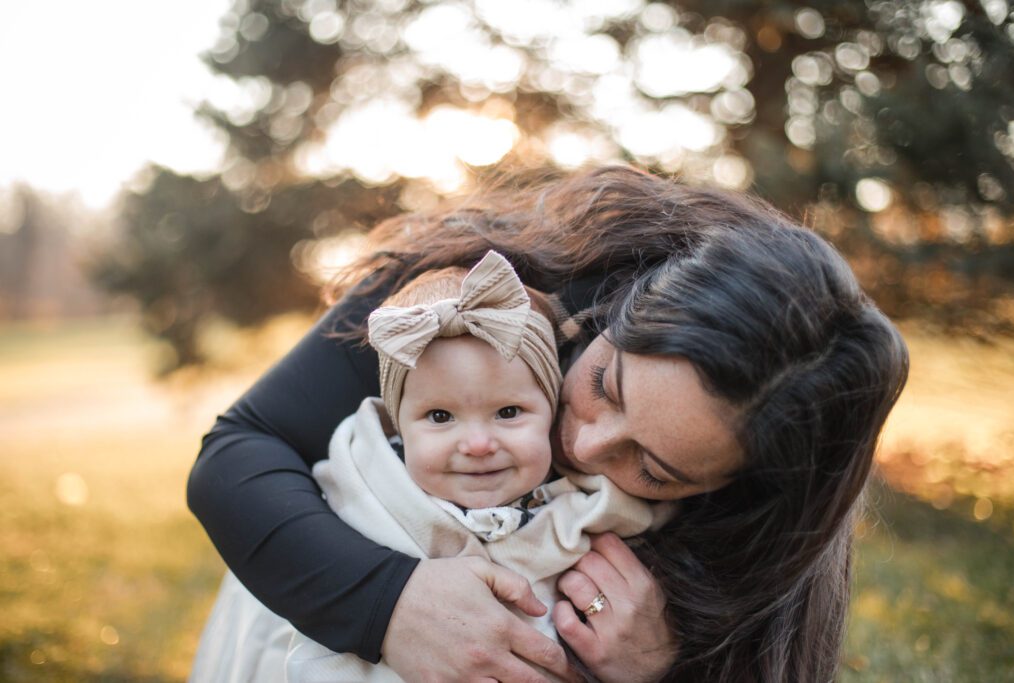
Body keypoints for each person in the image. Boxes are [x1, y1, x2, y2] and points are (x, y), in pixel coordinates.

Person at [187, 165, 910, 682]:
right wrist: (389, 603)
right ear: (626, 299)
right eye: (605, 383)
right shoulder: (468, 300)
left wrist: (662, 668)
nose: (586, 442)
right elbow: (238, 453)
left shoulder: (758, 547)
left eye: (653, 470)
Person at [190, 251, 660, 681]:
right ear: (398, 425)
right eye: (440, 417)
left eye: (509, 413)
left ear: (551, 409)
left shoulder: (576, 507)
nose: (477, 443)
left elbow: (628, 514)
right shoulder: (360, 490)